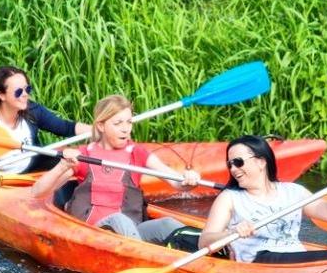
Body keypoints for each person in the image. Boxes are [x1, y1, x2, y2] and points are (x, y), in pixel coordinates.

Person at [31, 94, 200, 244]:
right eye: (118, 123)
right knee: (120, 220)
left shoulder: (137, 153)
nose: (126, 129)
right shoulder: (83, 155)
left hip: (131, 233)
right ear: (101, 126)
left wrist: (189, 180)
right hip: (93, 233)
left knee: (167, 224)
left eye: (129, 122)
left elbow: (177, 184)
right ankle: (140, 260)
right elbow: (38, 191)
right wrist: (62, 165)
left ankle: (214, 252)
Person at [198, 135, 327, 263]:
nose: (233, 169)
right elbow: (204, 242)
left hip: (293, 258)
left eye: (238, 162)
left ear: (261, 161)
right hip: (258, 260)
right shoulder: (229, 198)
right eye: (229, 164)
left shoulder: (293, 192)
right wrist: (231, 232)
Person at [0, 65, 90, 173]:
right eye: (18, 92)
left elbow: (66, 127)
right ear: (1, 95)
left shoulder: (32, 110)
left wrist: (98, 131)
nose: (25, 94)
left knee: (72, 160)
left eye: (27, 89)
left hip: (32, 167)